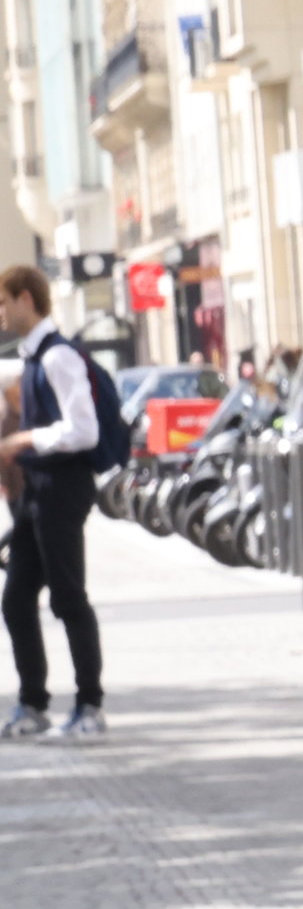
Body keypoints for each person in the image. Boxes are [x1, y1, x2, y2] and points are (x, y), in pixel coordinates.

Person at [4, 263, 115, 741]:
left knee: (68, 596)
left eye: (4, 302)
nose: (2, 313)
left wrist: (27, 439)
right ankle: (33, 705)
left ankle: (90, 706)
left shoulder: (56, 357)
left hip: (62, 487)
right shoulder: (33, 358)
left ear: (27, 299)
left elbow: (83, 430)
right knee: (16, 597)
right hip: (39, 490)